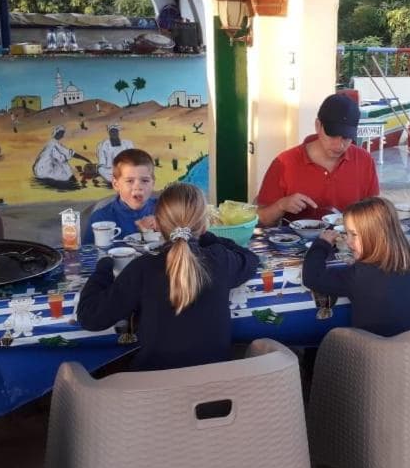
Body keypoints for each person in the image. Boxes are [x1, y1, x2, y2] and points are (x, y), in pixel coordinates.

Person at [77, 182, 259, 371]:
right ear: (204, 225)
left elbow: (90, 317)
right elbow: (250, 258)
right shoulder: (220, 260)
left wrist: (104, 267)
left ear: (157, 225)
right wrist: (205, 237)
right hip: (215, 384)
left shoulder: (142, 268)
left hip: (155, 385)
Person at [303, 196, 410, 336]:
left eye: (353, 235)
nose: (348, 241)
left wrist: (322, 244)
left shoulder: (357, 274)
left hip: (371, 351)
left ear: (377, 236)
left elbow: (312, 277)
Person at [256, 93, 379, 226]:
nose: (339, 145)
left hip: (349, 237)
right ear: (318, 125)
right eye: (332, 135)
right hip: (296, 239)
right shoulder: (284, 163)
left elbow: (375, 212)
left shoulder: (364, 160)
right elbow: (261, 219)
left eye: (346, 137)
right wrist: (281, 205)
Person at [85, 148, 158, 244]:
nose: (138, 187)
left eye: (145, 180)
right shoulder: (101, 218)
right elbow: (87, 251)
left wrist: (165, 226)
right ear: (116, 184)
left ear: (153, 183)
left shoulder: (165, 210)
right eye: (130, 181)